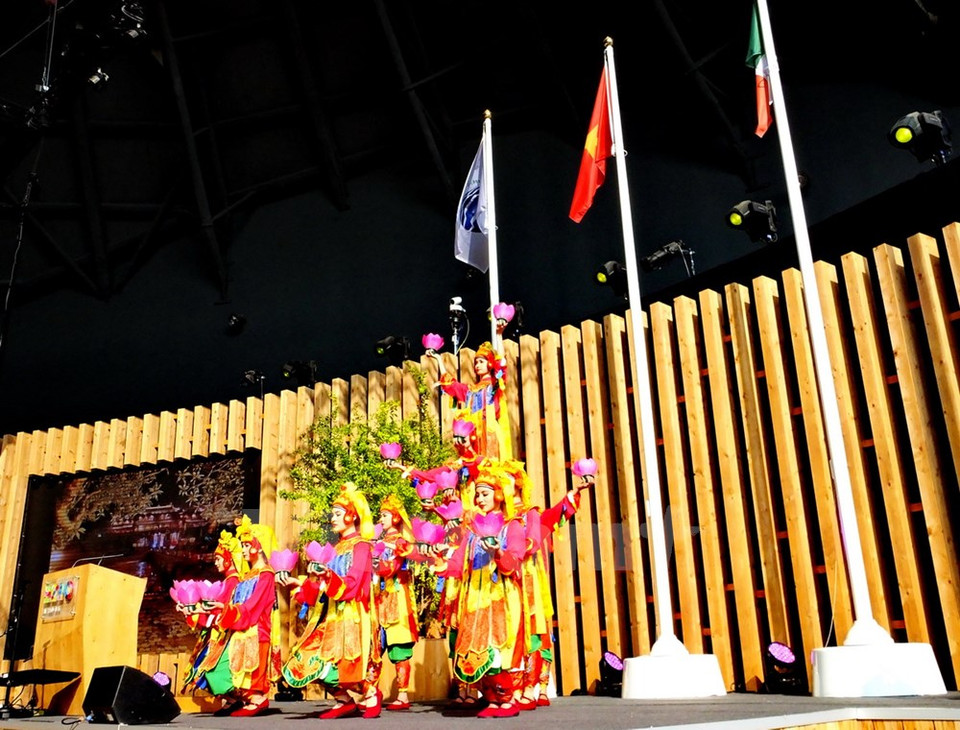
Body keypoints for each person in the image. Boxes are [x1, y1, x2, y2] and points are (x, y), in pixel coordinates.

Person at [280, 483, 383, 720]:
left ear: (351, 515)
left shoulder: (362, 547)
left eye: (337, 513)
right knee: (305, 660)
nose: (332, 518)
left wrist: (328, 576)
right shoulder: (335, 549)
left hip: (352, 615)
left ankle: (369, 692)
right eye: (333, 513)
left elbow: (355, 582)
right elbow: (322, 588)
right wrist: (302, 585)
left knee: (348, 663)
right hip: (330, 615)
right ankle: (344, 699)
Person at [450, 460, 526, 718]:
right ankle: (492, 698)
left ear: (498, 495)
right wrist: (437, 561)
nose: (479, 499)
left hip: (501, 598)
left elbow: (515, 560)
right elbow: (457, 562)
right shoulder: (472, 532)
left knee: (499, 647)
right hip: (475, 599)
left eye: (484, 494)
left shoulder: (512, 526)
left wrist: (498, 552)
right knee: (476, 648)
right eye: (477, 495)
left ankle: (508, 699)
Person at [195, 516, 282, 717]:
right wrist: (219, 608)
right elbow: (237, 604)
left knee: (243, 673)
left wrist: (229, 612)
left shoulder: (266, 575)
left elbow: (254, 606)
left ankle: (257, 699)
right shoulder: (247, 577)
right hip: (239, 631)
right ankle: (241, 699)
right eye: (242, 546)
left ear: (258, 547)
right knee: (215, 670)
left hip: (255, 631)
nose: (242, 551)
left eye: (246, 545)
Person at [179, 529, 247, 713]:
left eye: (218, 559)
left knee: (213, 671)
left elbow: (221, 608)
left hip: (226, 634)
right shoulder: (228, 582)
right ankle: (233, 701)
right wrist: (191, 608)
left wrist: (195, 609)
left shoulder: (233, 582)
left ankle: (239, 699)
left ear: (228, 558)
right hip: (219, 632)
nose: (215, 563)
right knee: (205, 670)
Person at [373, 494, 420, 710]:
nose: (381, 519)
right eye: (380, 515)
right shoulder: (378, 542)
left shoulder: (401, 543)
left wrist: (375, 564)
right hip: (378, 599)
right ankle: (371, 692)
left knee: (399, 648)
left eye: (384, 515)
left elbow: (390, 569)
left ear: (395, 518)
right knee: (374, 648)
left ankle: (402, 695)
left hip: (396, 599)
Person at [429, 342, 512, 461]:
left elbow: (501, 364)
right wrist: (438, 359)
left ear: (490, 363)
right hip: (473, 433)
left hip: (489, 431)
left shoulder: (494, 384)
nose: (477, 365)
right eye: (476, 362)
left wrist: (499, 334)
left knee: (490, 467)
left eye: (481, 362)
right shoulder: (470, 390)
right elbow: (451, 385)